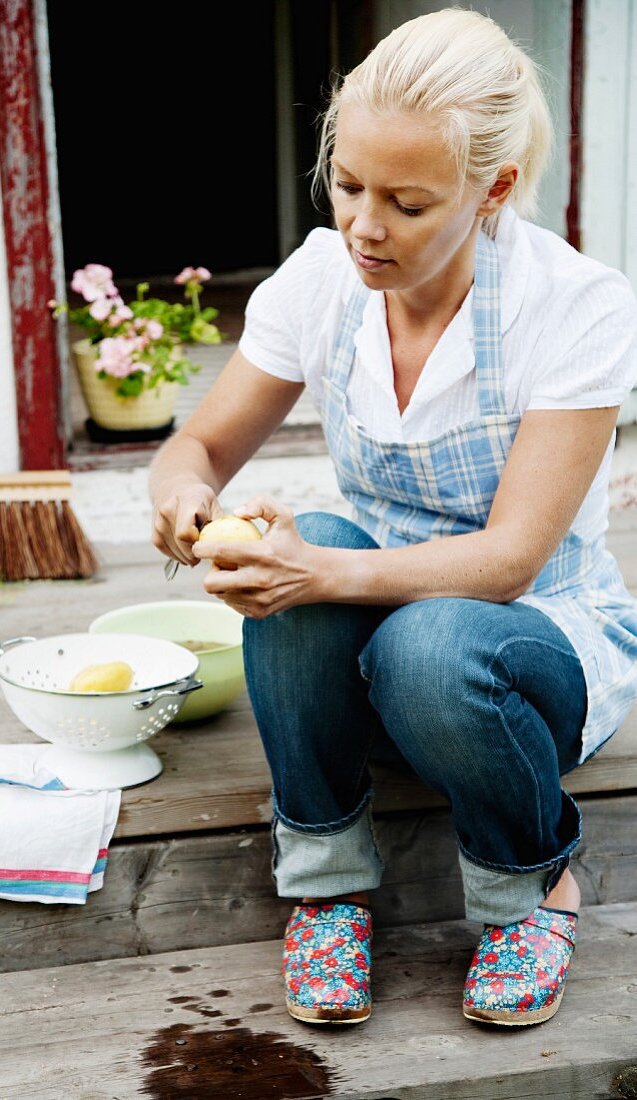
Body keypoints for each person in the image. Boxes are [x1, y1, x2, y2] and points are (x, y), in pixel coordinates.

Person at [149, 6, 637, 1028]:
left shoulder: (575, 305)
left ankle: (530, 884)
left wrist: (314, 577)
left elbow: (505, 562)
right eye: (349, 185)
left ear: (491, 188)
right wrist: (184, 501)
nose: (363, 227)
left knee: (425, 637)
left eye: (406, 203)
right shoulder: (323, 281)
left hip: (522, 645)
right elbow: (193, 449)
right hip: (375, 632)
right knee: (317, 546)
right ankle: (326, 886)